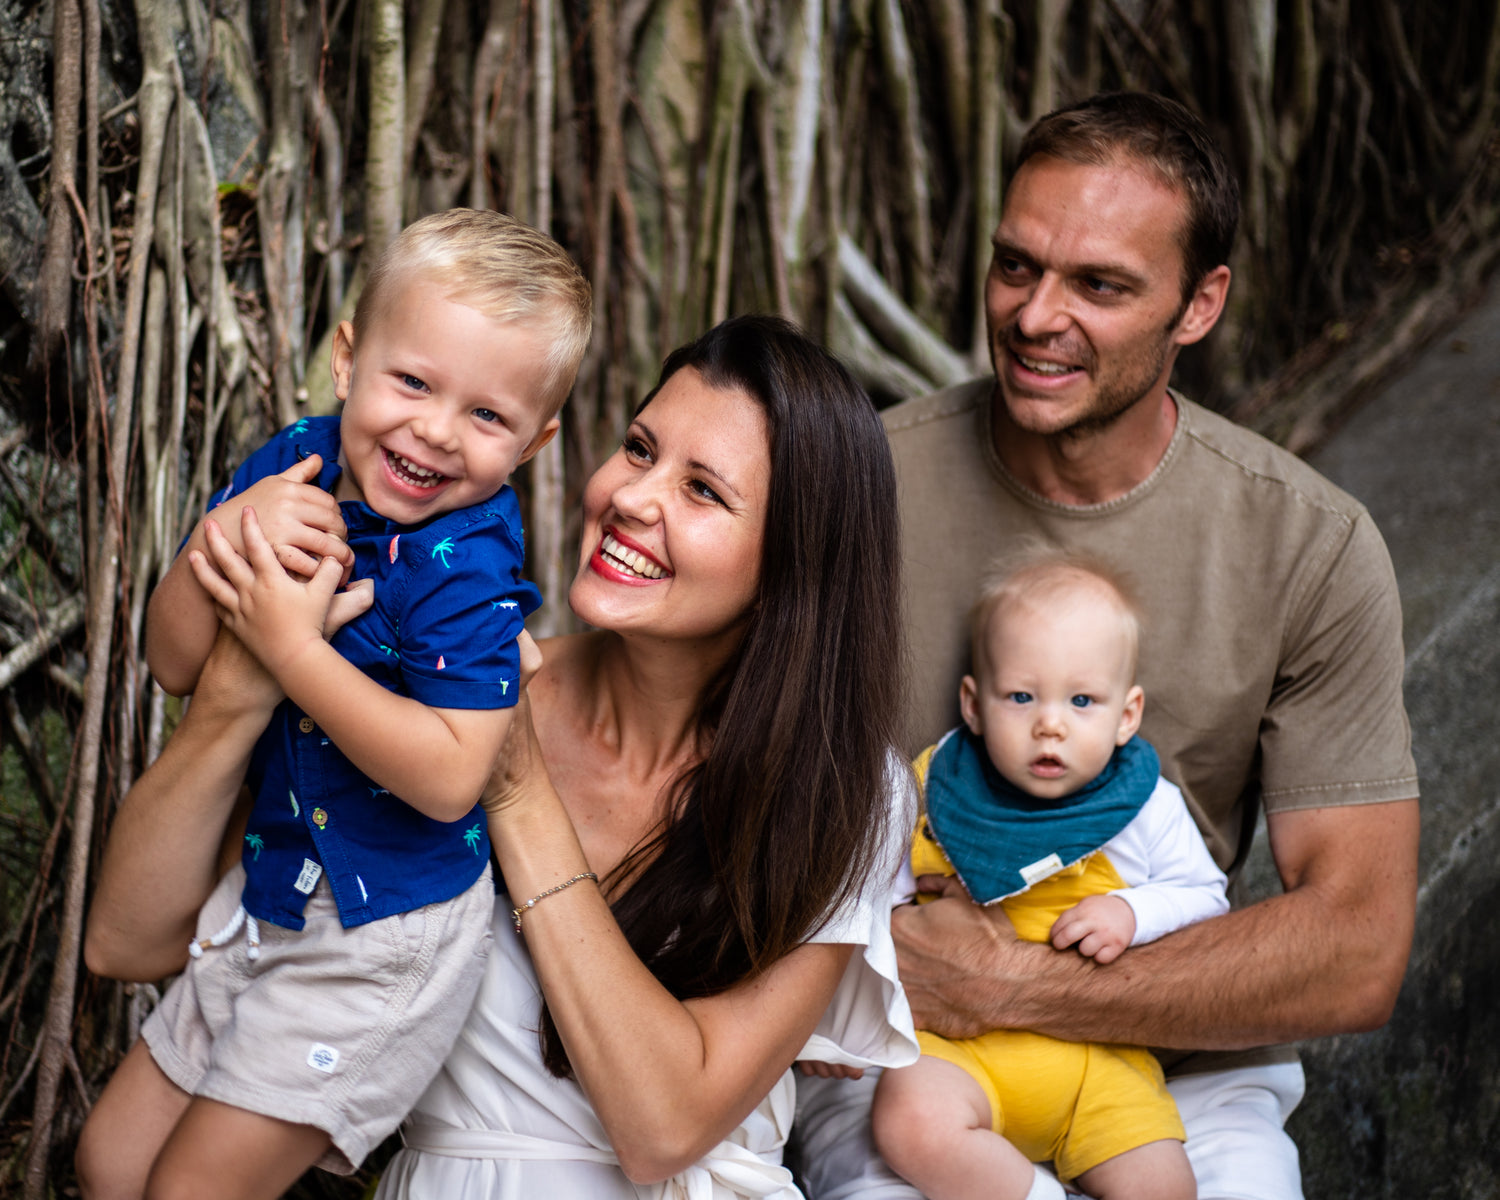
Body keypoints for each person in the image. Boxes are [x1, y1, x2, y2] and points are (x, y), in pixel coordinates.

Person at [77, 315, 920, 1200]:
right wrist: (243, 684)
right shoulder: (422, 687)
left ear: (795, 563)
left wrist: (510, 785)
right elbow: (126, 942)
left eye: (703, 490)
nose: (634, 497)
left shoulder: (844, 793)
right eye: (639, 449)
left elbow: (667, 1126)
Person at [794, 91, 1419, 1200]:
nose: (1036, 316)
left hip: (1178, 1065)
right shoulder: (858, 490)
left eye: (1100, 285)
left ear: (1199, 304)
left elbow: (1357, 949)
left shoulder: (1306, 545)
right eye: (1016, 266)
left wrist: (1017, 984)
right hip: (906, 1059)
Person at [78, 208, 593, 1187]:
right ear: (347, 360)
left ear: (537, 439)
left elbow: (450, 778)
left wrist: (288, 649)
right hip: (274, 886)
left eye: (488, 417)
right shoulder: (294, 463)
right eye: (413, 382)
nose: (436, 433)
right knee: (111, 1161)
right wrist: (223, 534)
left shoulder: (465, 567)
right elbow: (172, 658)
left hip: (383, 937)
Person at [871, 552, 1227, 1200]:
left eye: (1083, 699)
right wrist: (843, 1014)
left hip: (1098, 1061)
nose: (1050, 723)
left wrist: (1132, 914)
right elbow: (874, 914)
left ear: (1127, 714)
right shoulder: (933, 791)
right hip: (960, 1052)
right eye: (1022, 696)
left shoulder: (1142, 807)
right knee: (908, 1121)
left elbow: (1207, 898)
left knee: (1166, 1187)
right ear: (974, 705)